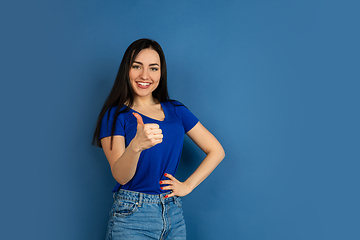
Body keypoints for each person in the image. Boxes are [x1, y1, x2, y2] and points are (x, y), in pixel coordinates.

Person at [92, 38, 225, 240]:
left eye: (153, 68)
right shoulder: (116, 116)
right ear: (126, 70)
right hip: (132, 216)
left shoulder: (176, 110)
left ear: (161, 73)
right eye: (137, 66)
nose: (145, 75)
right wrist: (136, 146)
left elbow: (216, 150)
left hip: (173, 214)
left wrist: (187, 186)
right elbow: (121, 176)